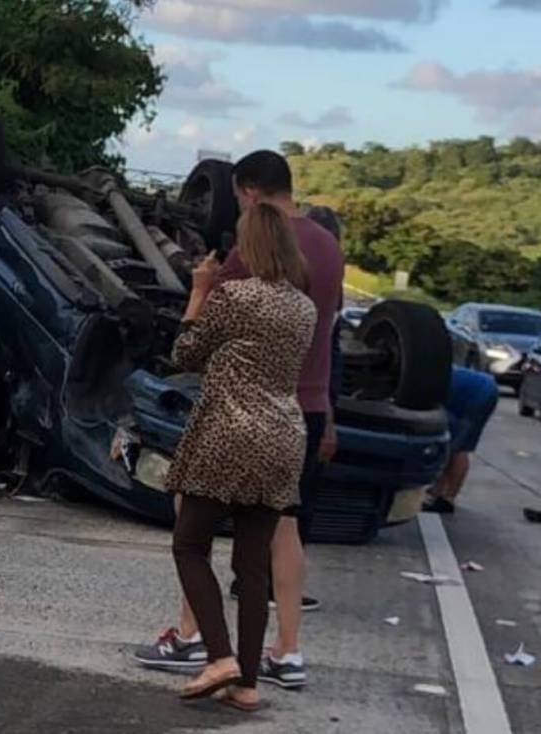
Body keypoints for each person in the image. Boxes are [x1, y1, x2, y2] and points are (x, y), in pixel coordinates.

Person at [135, 152, 344, 690]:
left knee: (191, 521)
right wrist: (329, 411)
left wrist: (201, 288)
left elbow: (195, 344)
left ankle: (194, 635)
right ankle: (287, 652)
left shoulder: (249, 254)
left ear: (249, 192)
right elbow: (330, 335)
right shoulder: (329, 247)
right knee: (282, 531)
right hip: (302, 411)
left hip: (237, 414)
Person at [167, 202, 316, 712]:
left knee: (190, 545)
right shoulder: (304, 308)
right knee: (253, 567)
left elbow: (185, 354)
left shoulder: (234, 296)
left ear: (248, 245)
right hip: (283, 439)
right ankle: (246, 683)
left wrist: (199, 291)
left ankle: (218, 656)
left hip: (229, 436)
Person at [422, 366, 499, 514]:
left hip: (477, 395)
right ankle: (438, 491)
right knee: (451, 445)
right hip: (481, 390)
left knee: (459, 448)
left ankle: (448, 499)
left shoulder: (424, 383)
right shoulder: (428, 374)